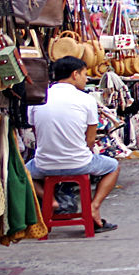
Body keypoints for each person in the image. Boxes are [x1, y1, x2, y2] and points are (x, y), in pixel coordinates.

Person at [27, 55, 120, 232]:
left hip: (44, 164)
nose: (86, 79)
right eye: (84, 74)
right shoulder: (87, 100)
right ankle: (94, 207)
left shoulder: (38, 97)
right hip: (79, 163)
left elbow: (37, 133)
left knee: (23, 172)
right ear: (75, 74)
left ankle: (50, 199)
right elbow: (90, 141)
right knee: (113, 166)